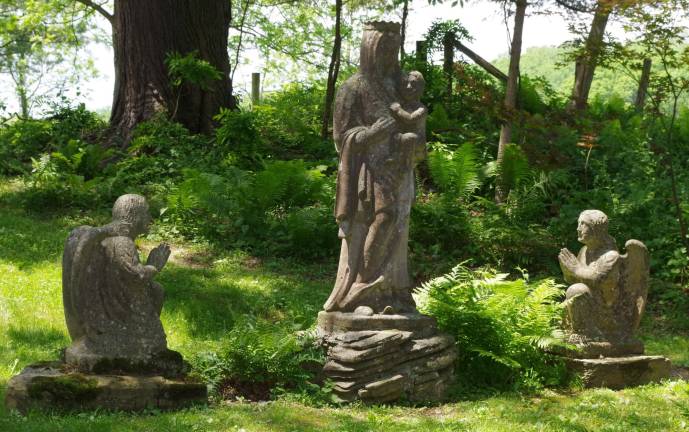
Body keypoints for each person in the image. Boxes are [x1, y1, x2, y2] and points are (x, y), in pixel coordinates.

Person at [324, 22, 424, 314]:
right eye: (385, 50)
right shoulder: (353, 87)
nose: (390, 56)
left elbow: (415, 123)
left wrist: (410, 144)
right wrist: (371, 134)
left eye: (395, 50)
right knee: (373, 221)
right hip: (366, 173)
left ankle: (391, 292)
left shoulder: (399, 86)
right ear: (370, 50)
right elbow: (341, 136)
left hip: (397, 171)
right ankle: (359, 289)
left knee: (397, 226)